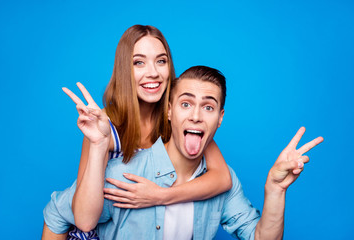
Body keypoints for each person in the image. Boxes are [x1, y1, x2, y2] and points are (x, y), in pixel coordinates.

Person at [43, 66, 323, 239]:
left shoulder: (225, 184)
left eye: (209, 107)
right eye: (186, 104)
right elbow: (59, 213)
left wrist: (275, 190)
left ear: (220, 118)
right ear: (168, 111)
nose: (197, 116)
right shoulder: (122, 176)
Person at [42, 25, 232, 239]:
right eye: (139, 62)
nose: (153, 72)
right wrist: (98, 144)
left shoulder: (180, 121)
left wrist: (160, 196)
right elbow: (83, 219)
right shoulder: (105, 126)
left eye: (161, 61)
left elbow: (223, 179)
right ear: (125, 69)